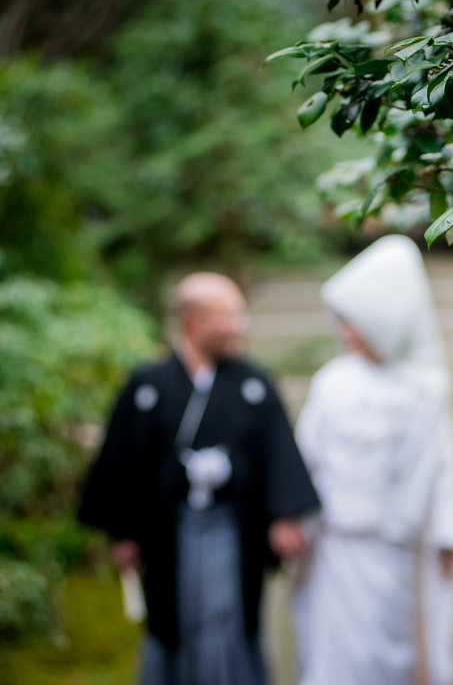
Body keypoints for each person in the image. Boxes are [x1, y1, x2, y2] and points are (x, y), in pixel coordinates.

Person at [79, 272, 321, 685]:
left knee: (232, 619)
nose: (238, 327)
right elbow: (123, 461)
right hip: (168, 533)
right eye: (229, 316)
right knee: (170, 622)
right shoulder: (147, 385)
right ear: (194, 321)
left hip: (233, 530)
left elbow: (278, 453)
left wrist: (285, 516)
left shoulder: (253, 383)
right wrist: (124, 532)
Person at [290, 235, 453, 685]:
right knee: (337, 656)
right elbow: (306, 457)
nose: (344, 332)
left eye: (353, 321)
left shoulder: (422, 390)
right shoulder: (332, 383)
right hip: (339, 548)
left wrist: (450, 534)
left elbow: (444, 466)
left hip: (398, 549)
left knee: (401, 653)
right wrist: (293, 518)